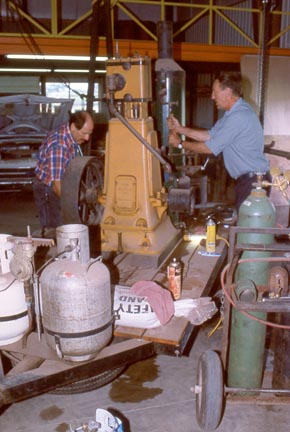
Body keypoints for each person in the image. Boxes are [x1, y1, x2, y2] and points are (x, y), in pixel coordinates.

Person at [167, 71, 271, 210]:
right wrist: (179, 129)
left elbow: (209, 148)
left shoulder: (239, 116)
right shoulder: (232, 114)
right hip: (248, 180)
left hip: (253, 182)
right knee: (245, 224)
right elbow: (210, 135)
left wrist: (180, 144)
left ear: (227, 92)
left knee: (249, 227)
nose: (212, 96)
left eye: (215, 92)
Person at [33, 110, 94, 236]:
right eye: (84, 133)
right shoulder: (59, 146)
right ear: (73, 127)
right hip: (50, 191)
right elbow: (57, 185)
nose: (87, 138)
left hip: (63, 184)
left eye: (89, 133)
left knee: (69, 229)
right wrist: (74, 204)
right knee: (59, 232)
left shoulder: (70, 135)